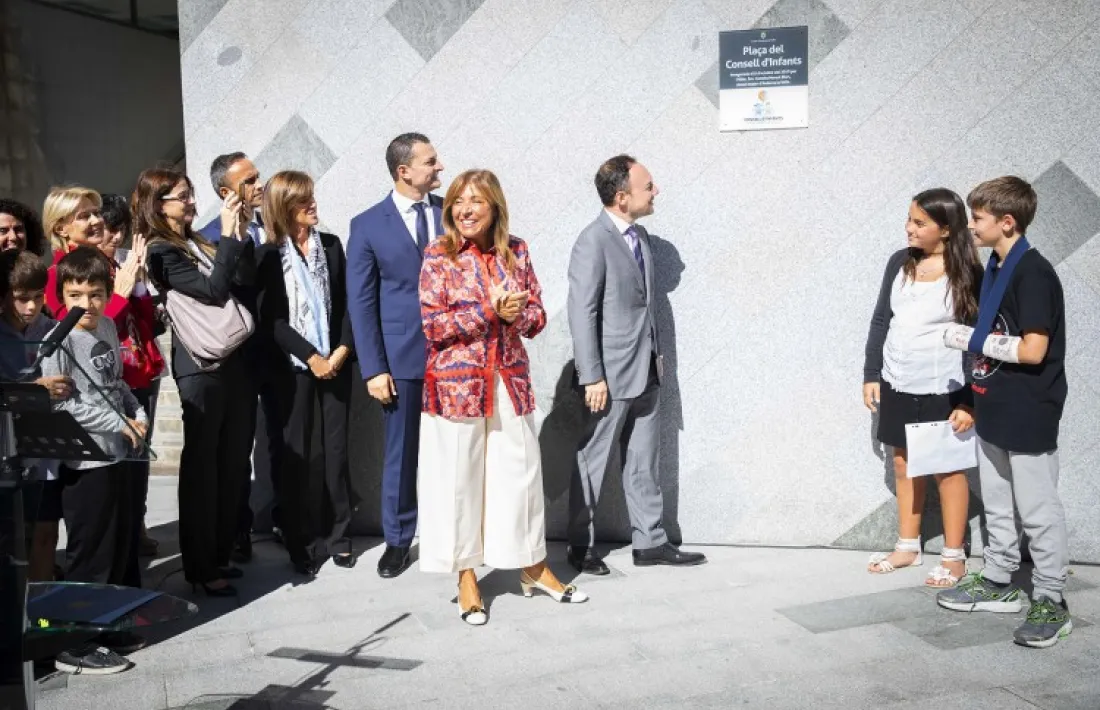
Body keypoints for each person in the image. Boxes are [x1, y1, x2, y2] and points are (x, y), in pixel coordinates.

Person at [418, 169, 587, 625]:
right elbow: (433, 327)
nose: (465, 210)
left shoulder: (518, 250)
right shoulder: (439, 255)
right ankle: (467, 578)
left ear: (495, 207)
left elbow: (536, 316)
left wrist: (513, 315)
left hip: (509, 381)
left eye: (475, 201)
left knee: (521, 477)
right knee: (459, 483)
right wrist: (485, 311)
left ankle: (532, 567)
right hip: (455, 387)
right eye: (457, 202)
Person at [938, 176, 1072, 648]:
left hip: (1029, 410)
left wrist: (971, 339)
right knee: (997, 503)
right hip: (992, 403)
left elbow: (1034, 350)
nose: (971, 226)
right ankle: (998, 580)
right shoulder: (994, 267)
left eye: (978, 218)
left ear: (1007, 222)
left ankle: (1053, 600)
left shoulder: (1033, 272)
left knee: (1037, 510)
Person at [566, 155, 706, 573]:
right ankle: (580, 546)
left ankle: (650, 543)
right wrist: (591, 375)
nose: (656, 190)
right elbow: (581, 311)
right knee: (592, 461)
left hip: (646, 371)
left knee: (645, 461)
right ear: (622, 197)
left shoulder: (639, 236)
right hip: (606, 378)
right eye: (648, 185)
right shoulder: (592, 240)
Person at [142, 167, 256, 596]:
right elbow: (212, 290)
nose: (192, 202)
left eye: (191, 195)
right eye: (182, 197)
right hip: (200, 367)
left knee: (232, 463)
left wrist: (236, 235)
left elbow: (237, 283)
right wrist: (227, 236)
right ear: (159, 205)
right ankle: (200, 565)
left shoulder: (196, 242)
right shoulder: (160, 252)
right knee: (202, 469)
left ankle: (222, 553)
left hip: (235, 363)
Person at [862, 189, 982, 587]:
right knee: (902, 462)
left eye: (919, 222)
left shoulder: (968, 272)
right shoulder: (900, 261)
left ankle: (953, 556)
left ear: (945, 229)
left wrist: (968, 401)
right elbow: (882, 319)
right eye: (909, 219)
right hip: (898, 379)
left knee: (947, 470)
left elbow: (977, 339)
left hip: (944, 385)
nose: (908, 228)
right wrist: (871, 372)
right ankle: (908, 546)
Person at [41, 246, 148, 673]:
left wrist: (136, 414)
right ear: (61, 296)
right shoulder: (58, 339)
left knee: (120, 545)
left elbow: (115, 381)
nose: (87, 304)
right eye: (76, 295)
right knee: (92, 552)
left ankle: (110, 626)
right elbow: (64, 405)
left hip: (117, 452)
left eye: (96, 293)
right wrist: (117, 421)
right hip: (85, 461)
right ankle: (76, 643)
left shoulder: (105, 326)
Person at [347, 132, 443, 579]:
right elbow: (361, 302)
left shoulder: (450, 214)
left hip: (456, 354)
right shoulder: (367, 224)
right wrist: (374, 368)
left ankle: (453, 536)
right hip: (400, 357)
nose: (439, 168)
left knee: (456, 450)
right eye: (430, 162)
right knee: (401, 455)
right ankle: (398, 541)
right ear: (404, 170)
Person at [255, 171, 356, 575]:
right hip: (292, 368)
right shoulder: (267, 255)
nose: (313, 205)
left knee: (336, 452)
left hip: (337, 362)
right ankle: (300, 540)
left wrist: (342, 350)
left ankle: (340, 535)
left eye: (312, 198)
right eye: (303, 201)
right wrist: (311, 355)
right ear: (283, 208)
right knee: (296, 454)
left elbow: (349, 303)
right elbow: (272, 320)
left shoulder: (330, 246)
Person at [199, 152, 275, 561]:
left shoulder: (269, 227)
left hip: (276, 353)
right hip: (236, 360)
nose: (259, 185)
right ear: (227, 192)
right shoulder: (212, 237)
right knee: (235, 450)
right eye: (249, 181)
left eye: (258, 177)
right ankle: (234, 531)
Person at [100, 193, 166, 561]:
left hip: (141, 368)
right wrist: (122, 290)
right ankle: (121, 531)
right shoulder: (86, 270)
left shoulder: (123, 263)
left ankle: (136, 524)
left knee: (140, 454)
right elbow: (96, 325)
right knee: (117, 456)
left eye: (118, 229)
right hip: (112, 374)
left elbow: (147, 323)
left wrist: (139, 283)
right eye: (106, 230)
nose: (113, 237)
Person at [0, 250, 67, 583]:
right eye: (21, 299)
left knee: (45, 534)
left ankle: (40, 617)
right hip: (8, 453)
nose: (30, 307)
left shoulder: (53, 329)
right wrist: (33, 387)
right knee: (13, 541)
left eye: (38, 297)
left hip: (45, 453)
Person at [41, 187, 142, 328]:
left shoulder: (107, 263)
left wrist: (138, 285)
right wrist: (119, 296)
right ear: (61, 229)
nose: (96, 221)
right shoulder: (55, 274)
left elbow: (142, 322)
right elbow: (72, 331)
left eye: (96, 213)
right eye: (84, 216)